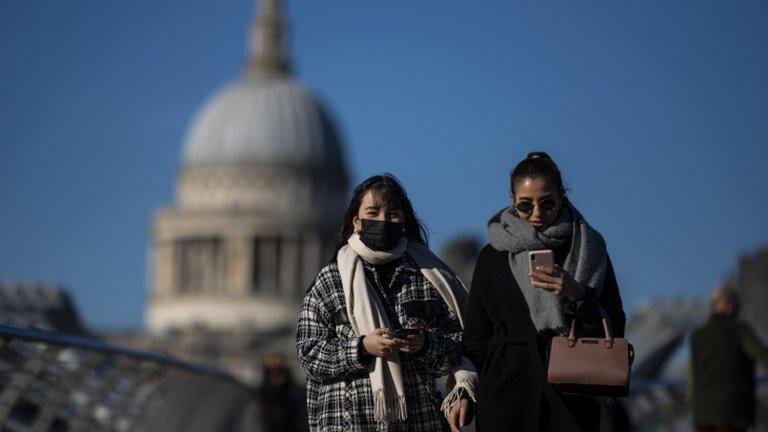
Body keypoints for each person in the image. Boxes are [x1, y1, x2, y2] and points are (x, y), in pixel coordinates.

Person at [296, 174, 478, 432]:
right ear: (356, 222)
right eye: (373, 212)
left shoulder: (427, 277)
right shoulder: (330, 280)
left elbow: (462, 347)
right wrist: (361, 348)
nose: (383, 220)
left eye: (392, 213)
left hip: (417, 421)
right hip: (349, 423)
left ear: (403, 220)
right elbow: (309, 355)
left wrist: (425, 343)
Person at [462, 152, 626, 432]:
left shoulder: (590, 248)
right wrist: (465, 392)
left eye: (547, 203)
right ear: (513, 200)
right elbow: (477, 335)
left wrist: (578, 294)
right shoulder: (493, 255)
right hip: (505, 397)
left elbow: (615, 324)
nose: (537, 214)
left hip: (570, 396)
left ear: (561, 197)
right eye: (526, 206)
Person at [689, 285, 768, 432]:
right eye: (735, 303)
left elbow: (691, 376)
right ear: (728, 304)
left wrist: (694, 403)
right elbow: (763, 355)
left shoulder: (697, 336)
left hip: (703, 412)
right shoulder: (739, 331)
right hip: (733, 410)